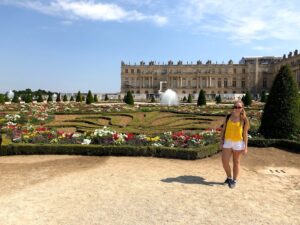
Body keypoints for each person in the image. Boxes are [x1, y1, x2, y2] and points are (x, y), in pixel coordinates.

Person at [220, 100, 249, 188]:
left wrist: (246, 146)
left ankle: (234, 180)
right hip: (228, 142)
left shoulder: (244, 119)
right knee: (224, 161)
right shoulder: (228, 117)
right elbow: (223, 129)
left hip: (238, 143)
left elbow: (245, 134)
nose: (237, 109)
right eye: (235, 107)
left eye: (239, 107)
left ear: (242, 108)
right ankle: (229, 177)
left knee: (236, 162)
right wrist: (221, 141)